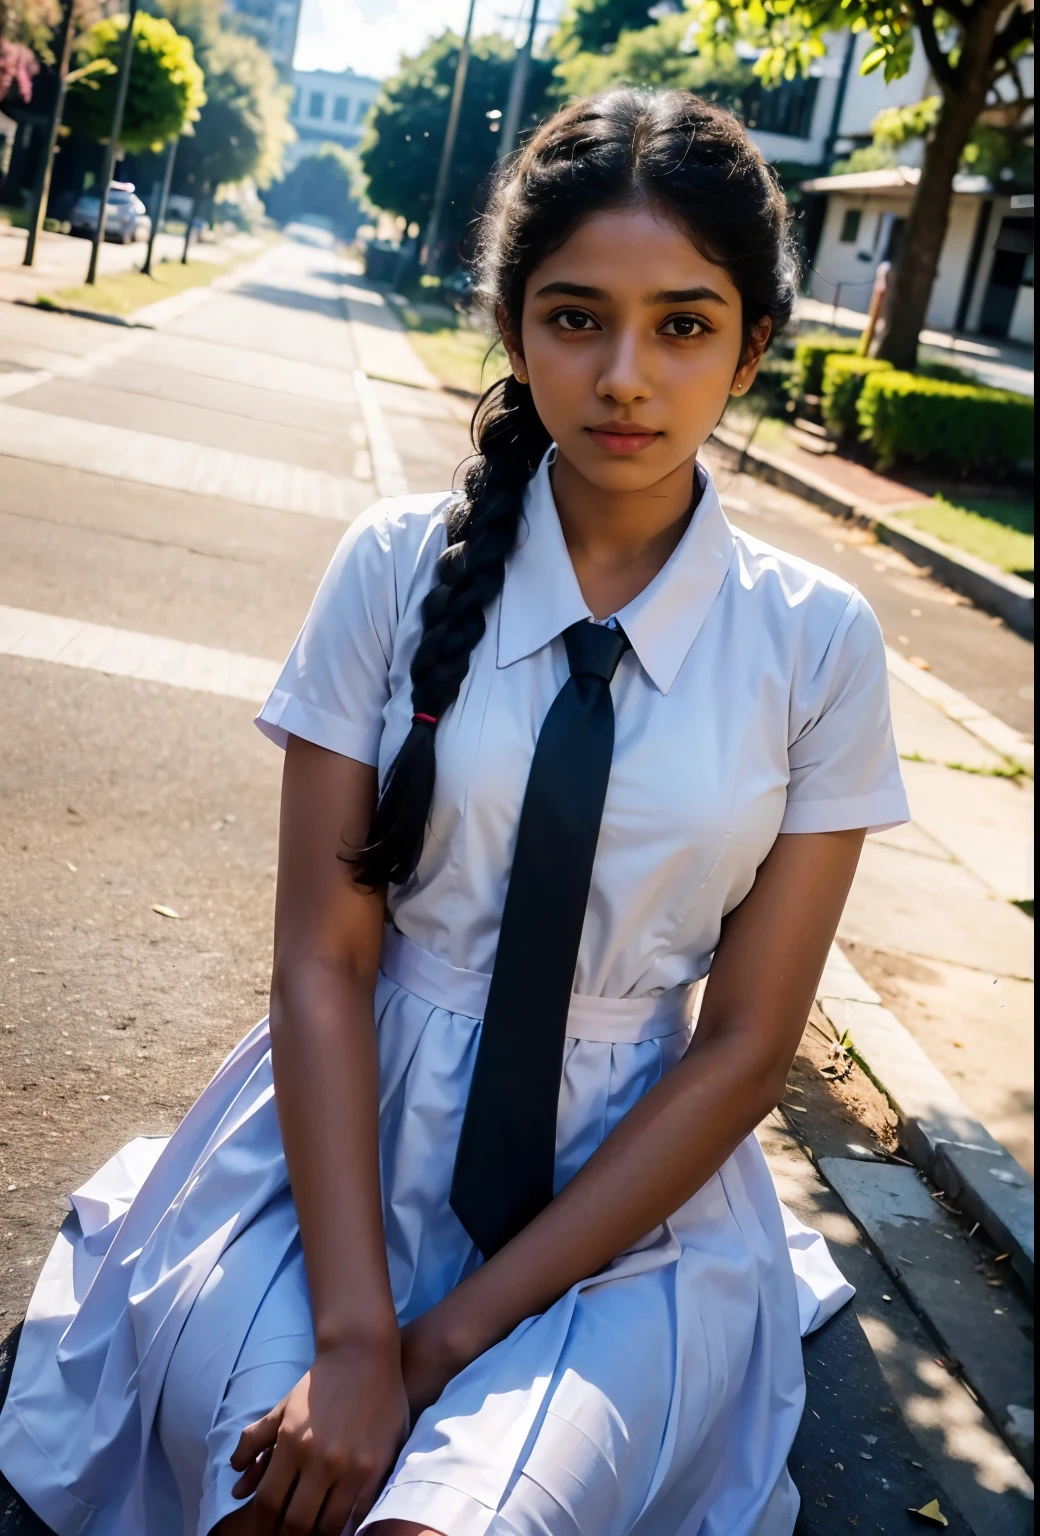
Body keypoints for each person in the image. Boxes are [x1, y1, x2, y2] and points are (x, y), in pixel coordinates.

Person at [0, 89, 909, 1536]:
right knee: (271, 1501)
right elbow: (324, 960)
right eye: (574, 317)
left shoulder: (820, 646)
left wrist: (438, 1345)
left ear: (753, 346)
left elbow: (743, 1051)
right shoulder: (391, 568)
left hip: (630, 1208)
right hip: (333, 1149)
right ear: (511, 325)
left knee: (449, 1527)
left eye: (683, 323)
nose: (625, 374)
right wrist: (361, 1334)